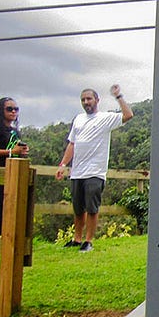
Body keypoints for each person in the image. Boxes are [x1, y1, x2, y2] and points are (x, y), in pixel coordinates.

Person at [55, 85, 133, 252]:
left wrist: (119, 96)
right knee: (78, 208)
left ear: (97, 100)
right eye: (83, 99)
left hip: (95, 172)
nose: (86, 102)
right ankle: (77, 239)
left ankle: (88, 241)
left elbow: (128, 115)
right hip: (77, 172)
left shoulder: (105, 118)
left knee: (91, 208)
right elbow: (72, 144)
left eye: (89, 99)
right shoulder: (78, 119)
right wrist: (63, 165)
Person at [0, 97, 29, 266]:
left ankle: (3, 250)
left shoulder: (15, 131)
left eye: (16, 109)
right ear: (1, 110)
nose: (13, 112)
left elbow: (14, 151)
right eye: (9, 109)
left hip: (12, 175)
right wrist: (11, 151)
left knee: (10, 214)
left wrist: (20, 152)